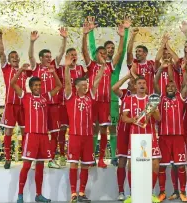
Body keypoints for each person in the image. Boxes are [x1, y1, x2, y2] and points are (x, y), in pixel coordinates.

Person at [11, 64, 62, 203]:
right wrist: (21, 70)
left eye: (39, 85)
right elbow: (12, 83)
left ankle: (38, 195)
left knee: (40, 166)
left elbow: (58, 87)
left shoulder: (45, 97)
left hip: (44, 136)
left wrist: (54, 73)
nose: (38, 87)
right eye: (35, 85)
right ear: (31, 87)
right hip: (31, 135)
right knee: (27, 165)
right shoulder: (26, 97)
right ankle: (20, 195)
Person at [87, 16, 131, 166]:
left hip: (111, 101)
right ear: (103, 51)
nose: (111, 50)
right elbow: (92, 48)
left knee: (112, 128)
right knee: (95, 128)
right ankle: (92, 156)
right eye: (108, 48)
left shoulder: (115, 66)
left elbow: (122, 50)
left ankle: (114, 155)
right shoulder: (98, 63)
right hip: (96, 100)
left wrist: (124, 33)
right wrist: (91, 32)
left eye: (113, 48)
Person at [64, 52, 105, 202]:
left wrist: (103, 66)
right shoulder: (70, 97)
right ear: (76, 87)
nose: (86, 87)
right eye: (82, 85)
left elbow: (97, 81)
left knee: (86, 165)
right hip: (75, 136)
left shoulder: (90, 97)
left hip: (88, 137)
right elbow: (67, 83)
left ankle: (82, 193)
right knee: (74, 164)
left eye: (86, 85)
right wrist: (67, 68)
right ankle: (73, 193)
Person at [28, 28, 67, 169]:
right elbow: (31, 57)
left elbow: (61, 53)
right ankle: (35, 158)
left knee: (55, 133)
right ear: (41, 58)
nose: (49, 59)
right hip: (40, 106)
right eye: (46, 57)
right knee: (40, 133)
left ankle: (51, 159)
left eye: (50, 57)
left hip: (54, 105)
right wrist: (32, 42)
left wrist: (64, 39)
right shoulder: (36, 67)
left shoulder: (54, 67)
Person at [154, 60, 187, 202]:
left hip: (178, 138)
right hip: (163, 137)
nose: (170, 88)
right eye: (168, 86)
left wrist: (184, 70)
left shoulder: (180, 98)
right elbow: (156, 83)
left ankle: (182, 192)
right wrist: (160, 70)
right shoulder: (161, 98)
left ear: (176, 88)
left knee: (180, 165)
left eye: (173, 86)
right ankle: (162, 192)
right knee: (162, 165)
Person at [122, 75, 161, 203]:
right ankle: (133, 194)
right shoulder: (129, 99)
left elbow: (159, 118)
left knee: (155, 163)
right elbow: (124, 118)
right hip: (135, 136)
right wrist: (132, 120)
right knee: (131, 164)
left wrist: (153, 110)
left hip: (150, 136)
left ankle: (150, 192)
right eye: (139, 83)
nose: (142, 85)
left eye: (144, 83)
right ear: (135, 86)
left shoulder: (151, 100)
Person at [0, 29, 28, 169]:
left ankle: (26, 156)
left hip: (22, 106)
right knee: (8, 132)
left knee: (24, 131)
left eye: (17, 56)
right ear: (9, 61)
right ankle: (8, 158)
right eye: (12, 57)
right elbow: (1, 53)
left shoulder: (24, 72)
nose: (15, 58)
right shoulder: (7, 69)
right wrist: (0, 37)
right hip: (10, 105)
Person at [56, 47, 86, 167]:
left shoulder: (80, 69)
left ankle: (76, 154)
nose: (74, 57)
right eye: (71, 55)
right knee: (62, 130)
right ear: (66, 57)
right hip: (64, 103)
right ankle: (62, 155)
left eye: (75, 55)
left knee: (75, 130)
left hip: (77, 105)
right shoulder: (61, 69)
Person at [112, 71, 136, 201]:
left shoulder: (141, 95)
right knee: (122, 160)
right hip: (123, 130)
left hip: (136, 131)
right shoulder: (125, 94)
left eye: (132, 82)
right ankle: (121, 191)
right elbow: (114, 88)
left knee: (135, 162)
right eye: (129, 82)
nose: (129, 84)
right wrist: (127, 76)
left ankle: (134, 190)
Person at [127, 28, 157, 94]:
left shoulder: (151, 63)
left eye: (139, 51)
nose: (137, 53)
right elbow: (129, 52)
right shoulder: (133, 63)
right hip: (135, 97)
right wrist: (133, 36)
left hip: (148, 97)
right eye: (136, 51)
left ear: (145, 53)